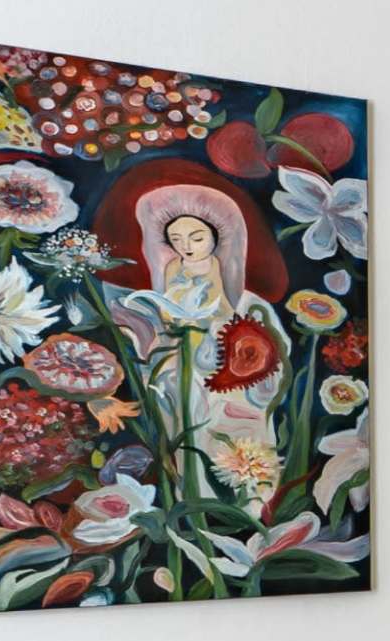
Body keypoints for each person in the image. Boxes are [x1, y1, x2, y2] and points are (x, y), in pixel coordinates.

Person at [115, 191, 288, 507]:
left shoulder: (216, 266)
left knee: (226, 408)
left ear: (215, 237)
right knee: (179, 405)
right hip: (183, 336)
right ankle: (193, 493)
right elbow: (169, 309)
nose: (186, 246)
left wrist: (199, 323)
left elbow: (222, 308)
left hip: (215, 336)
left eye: (196, 237)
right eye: (176, 239)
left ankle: (245, 496)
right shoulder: (173, 267)